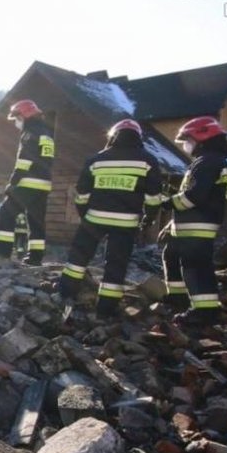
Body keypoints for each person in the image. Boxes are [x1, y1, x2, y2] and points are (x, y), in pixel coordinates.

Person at [58, 119, 162, 318]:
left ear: (113, 136)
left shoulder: (96, 159)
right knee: (116, 265)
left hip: (94, 219)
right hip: (126, 223)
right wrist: (148, 219)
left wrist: (85, 215)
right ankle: (105, 309)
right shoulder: (148, 161)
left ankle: (65, 292)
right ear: (138, 137)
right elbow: (153, 198)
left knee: (78, 258)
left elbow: (81, 195)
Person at [161, 116, 227, 327]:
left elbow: (194, 197)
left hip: (198, 226)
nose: (186, 145)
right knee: (171, 254)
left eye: (188, 139)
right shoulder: (207, 162)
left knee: (195, 266)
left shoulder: (209, 162)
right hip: (191, 224)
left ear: (202, 138)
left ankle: (205, 311)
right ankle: (178, 298)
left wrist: (167, 203)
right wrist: (171, 225)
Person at [0, 99, 55, 266]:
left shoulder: (30, 132)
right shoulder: (46, 133)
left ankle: (2, 251)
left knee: (5, 213)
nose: (16, 122)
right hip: (44, 185)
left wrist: (13, 183)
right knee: (36, 222)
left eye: (17, 118)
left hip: (27, 183)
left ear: (24, 115)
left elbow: (24, 161)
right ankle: (35, 258)